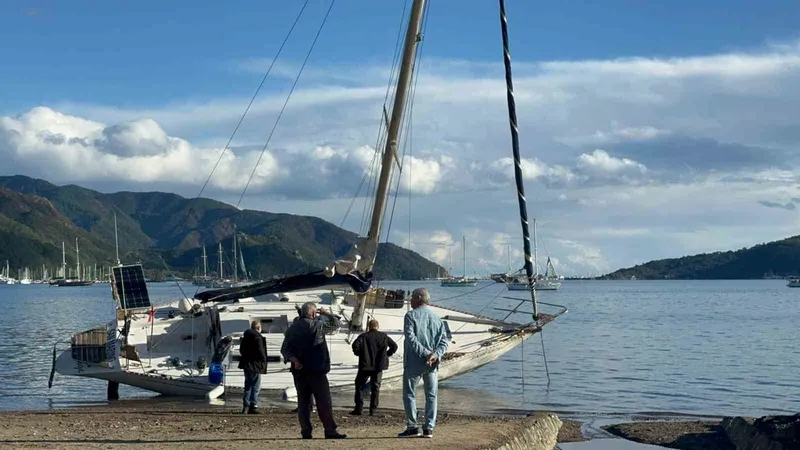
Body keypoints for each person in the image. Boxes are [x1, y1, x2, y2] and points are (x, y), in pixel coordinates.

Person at [281, 302, 347, 440]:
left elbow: (285, 349)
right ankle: (330, 430)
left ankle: (306, 431)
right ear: (312, 313)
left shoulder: (292, 328)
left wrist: (295, 360)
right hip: (317, 370)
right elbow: (336, 324)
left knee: (303, 403)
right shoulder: (318, 326)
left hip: (299, 371)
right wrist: (326, 313)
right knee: (323, 402)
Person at [398, 287, 449, 439]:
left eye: (412, 297)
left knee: (409, 393)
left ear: (419, 298)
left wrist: (426, 353)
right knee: (431, 395)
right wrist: (435, 354)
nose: (410, 300)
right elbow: (444, 342)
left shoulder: (410, 315)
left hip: (414, 361)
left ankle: (413, 426)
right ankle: (429, 428)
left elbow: (410, 338)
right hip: (432, 364)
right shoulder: (437, 318)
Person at [350, 318, 398, 416]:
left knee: (359, 386)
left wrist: (360, 354)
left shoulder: (363, 336)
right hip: (378, 366)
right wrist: (387, 354)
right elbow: (394, 346)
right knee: (375, 387)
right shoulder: (383, 336)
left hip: (365, 365)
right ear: (377, 327)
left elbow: (355, 345)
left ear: (369, 327)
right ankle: (373, 410)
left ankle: (358, 408)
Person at [238, 320, 267, 414]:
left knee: (248, 385)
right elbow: (261, 351)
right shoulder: (258, 337)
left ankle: (245, 406)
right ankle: (253, 405)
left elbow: (241, 350)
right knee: (255, 385)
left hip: (246, 363)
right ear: (258, 328)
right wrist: (263, 360)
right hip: (255, 364)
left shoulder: (245, 336)